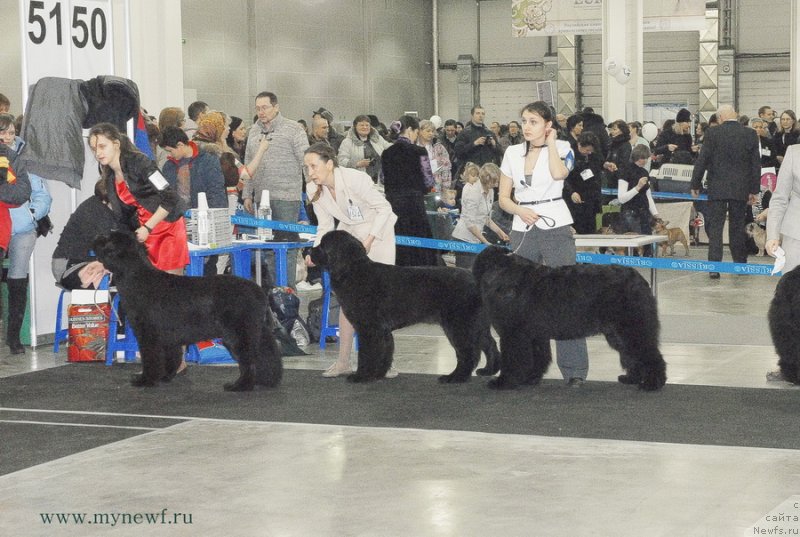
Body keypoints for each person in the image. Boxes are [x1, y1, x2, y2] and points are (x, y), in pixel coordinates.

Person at [497, 100, 588, 387]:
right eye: (524, 120)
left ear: (548, 125)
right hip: (522, 224)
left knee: (565, 296)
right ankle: (524, 367)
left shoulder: (562, 149)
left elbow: (560, 174)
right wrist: (518, 210)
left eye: (533, 121)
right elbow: (503, 198)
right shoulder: (511, 152)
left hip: (555, 223)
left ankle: (574, 370)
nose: (526, 126)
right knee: (519, 300)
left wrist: (551, 144)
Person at [302, 142, 398, 378]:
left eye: (313, 166)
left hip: (378, 232)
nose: (310, 172)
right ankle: (343, 361)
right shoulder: (312, 188)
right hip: (348, 235)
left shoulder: (356, 179)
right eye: (307, 167)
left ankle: (386, 362)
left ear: (330, 164)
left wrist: (369, 240)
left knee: (380, 302)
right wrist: (314, 253)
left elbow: (384, 209)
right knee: (347, 300)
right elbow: (324, 225)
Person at [88, 122, 189, 275]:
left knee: (171, 289)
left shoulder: (141, 163)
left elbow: (171, 197)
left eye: (102, 146)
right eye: (94, 149)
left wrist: (148, 227)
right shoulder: (109, 177)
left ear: (116, 144)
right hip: (143, 232)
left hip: (167, 227)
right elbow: (122, 217)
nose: (98, 153)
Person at [242, 91, 308, 287]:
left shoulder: (294, 129)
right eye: (257, 108)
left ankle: (287, 294)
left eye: (265, 107)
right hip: (261, 198)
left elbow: (306, 161)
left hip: (287, 197)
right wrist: (247, 193)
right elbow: (248, 163)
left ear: (276, 107)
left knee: (287, 248)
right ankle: (275, 294)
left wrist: (313, 189)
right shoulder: (253, 131)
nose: (261, 112)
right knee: (268, 249)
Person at [0, 113, 52, 354]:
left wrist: (31, 215)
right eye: (4, 132)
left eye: (11, 132)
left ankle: (14, 338)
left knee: (17, 278)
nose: (8, 137)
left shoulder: (26, 157)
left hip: (21, 227)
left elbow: (42, 194)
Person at [690, 105, 761, 278]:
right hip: (740, 189)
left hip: (717, 188)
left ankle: (714, 268)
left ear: (720, 117)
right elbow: (755, 165)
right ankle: (740, 265)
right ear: (735, 116)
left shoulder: (713, 133)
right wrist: (754, 190)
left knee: (716, 228)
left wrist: (695, 184)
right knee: (737, 227)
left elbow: (703, 160)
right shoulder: (750, 134)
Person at [381, 115, 438, 267]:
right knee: (420, 246)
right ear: (411, 130)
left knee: (399, 245)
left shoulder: (386, 153)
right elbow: (428, 182)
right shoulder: (420, 151)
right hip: (414, 205)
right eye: (416, 132)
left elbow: (382, 179)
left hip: (393, 205)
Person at [52, 179, 125, 290]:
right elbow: (109, 248)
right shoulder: (95, 210)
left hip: (91, 260)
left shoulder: (115, 209)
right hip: (70, 263)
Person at [451, 162, 508, 269]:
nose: (497, 183)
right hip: (464, 239)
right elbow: (470, 223)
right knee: (465, 273)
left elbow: (485, 217)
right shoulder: (473, 193)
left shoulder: (490, 191)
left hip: (476, 238)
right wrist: (485, 242)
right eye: (495, 181)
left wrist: (500, 232)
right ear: (488, 179)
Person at [618, 145, 660, 256]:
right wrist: (637, 187)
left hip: (644, 214)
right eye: (642, 158)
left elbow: (648, 195)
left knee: (648, 249)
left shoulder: (645, 173)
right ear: (636, 157)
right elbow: (621, 198)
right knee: (633, 250)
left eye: (647, 158)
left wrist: (655, 214)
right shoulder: (625, 171)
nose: (645, 160)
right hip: (630, 213)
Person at [564, 131, 604, 234]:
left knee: (591, 230)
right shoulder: (569, 155)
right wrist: (571, 192)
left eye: (591, 151)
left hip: (590, 200)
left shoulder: (593, 156)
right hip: (574, 200)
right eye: (587, 150)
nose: (589, 152)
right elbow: (563, 177)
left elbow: (596, 172)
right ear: (579, 144)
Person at [337, 114, 391, 184]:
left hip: (379, 180)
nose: (365, 127)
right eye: (361, 125)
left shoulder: (377, 139)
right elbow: (341, 161)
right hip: (358, 181)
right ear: (355, 127)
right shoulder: (347, 142)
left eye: (367, 125)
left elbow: (389, 147)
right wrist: (357, 164)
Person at [454, 105, 502, 171]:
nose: (480, 116)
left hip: (486, 171)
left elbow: (500, 153)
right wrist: (474, 144)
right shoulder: (464, 133)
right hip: (471, 172)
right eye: (478, 113)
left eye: (483, 114)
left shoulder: (490, 133)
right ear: (472, 115)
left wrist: (494, 145)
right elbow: (458, 152)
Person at [417, 119, 452, 191]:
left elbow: (446, 167)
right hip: (419, 186)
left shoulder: (439, 147)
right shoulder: (414, 148)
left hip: (437, 186)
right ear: (420, 131)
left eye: (432, 131)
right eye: (428, 131)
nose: (431, 133)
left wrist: (446, 187)